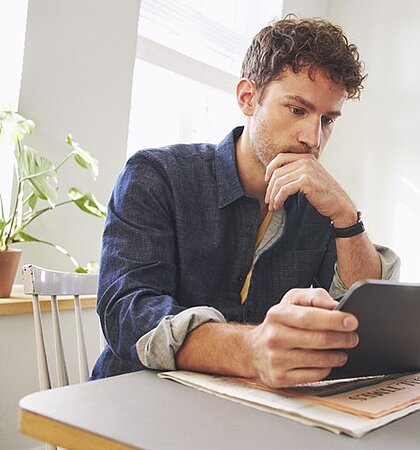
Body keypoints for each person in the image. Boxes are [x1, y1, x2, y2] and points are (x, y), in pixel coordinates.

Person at [92, 16, 400, 387]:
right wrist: (250, 349)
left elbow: (362, 315)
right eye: (297, 110)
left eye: (328, 120)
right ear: (248, 98)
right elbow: (127, 312)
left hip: (255, 413)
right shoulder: (157, 176)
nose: (313, 139)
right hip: (136, 400)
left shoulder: (321, 206)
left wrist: (346, 216)